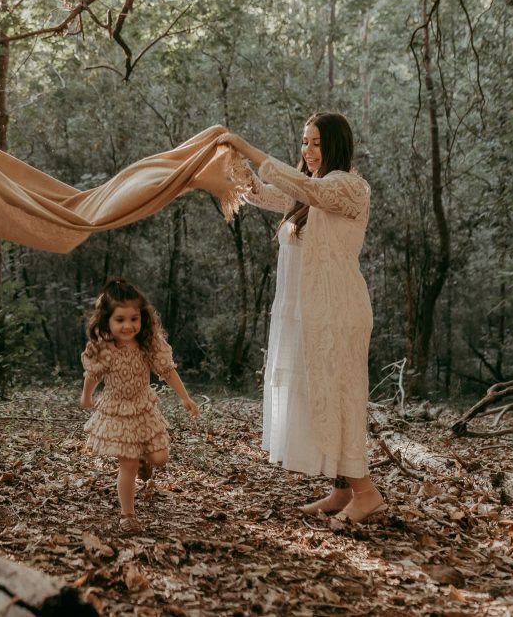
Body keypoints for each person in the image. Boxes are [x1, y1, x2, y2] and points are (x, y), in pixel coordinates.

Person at [217, 113, 384, 522]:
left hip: (338, 312)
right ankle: (342, 491)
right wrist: (226, 160)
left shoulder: (348, 187)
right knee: (319, 397)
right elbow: (260, 191)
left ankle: (366, 493)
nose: (308, 151)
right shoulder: (304, 196)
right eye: (305, 142)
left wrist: (248, 147)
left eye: (317, 144)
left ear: (336, 146)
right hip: (311, 313)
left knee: (338, 398)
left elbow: (303, 185)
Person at [80, 278, 200, 533]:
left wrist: (185, 397)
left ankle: (146, 461)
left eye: (134, 319)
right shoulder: (105, 348)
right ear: (107, 321)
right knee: (128, 464)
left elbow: (167, 371)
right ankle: (128, 515)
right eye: (120, 320)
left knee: (160, 457)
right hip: (116, 409)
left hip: (143, 407)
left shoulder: (148, 344)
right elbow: (93, 375)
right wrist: (87, 397)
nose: (128, 326)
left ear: (142, 317)